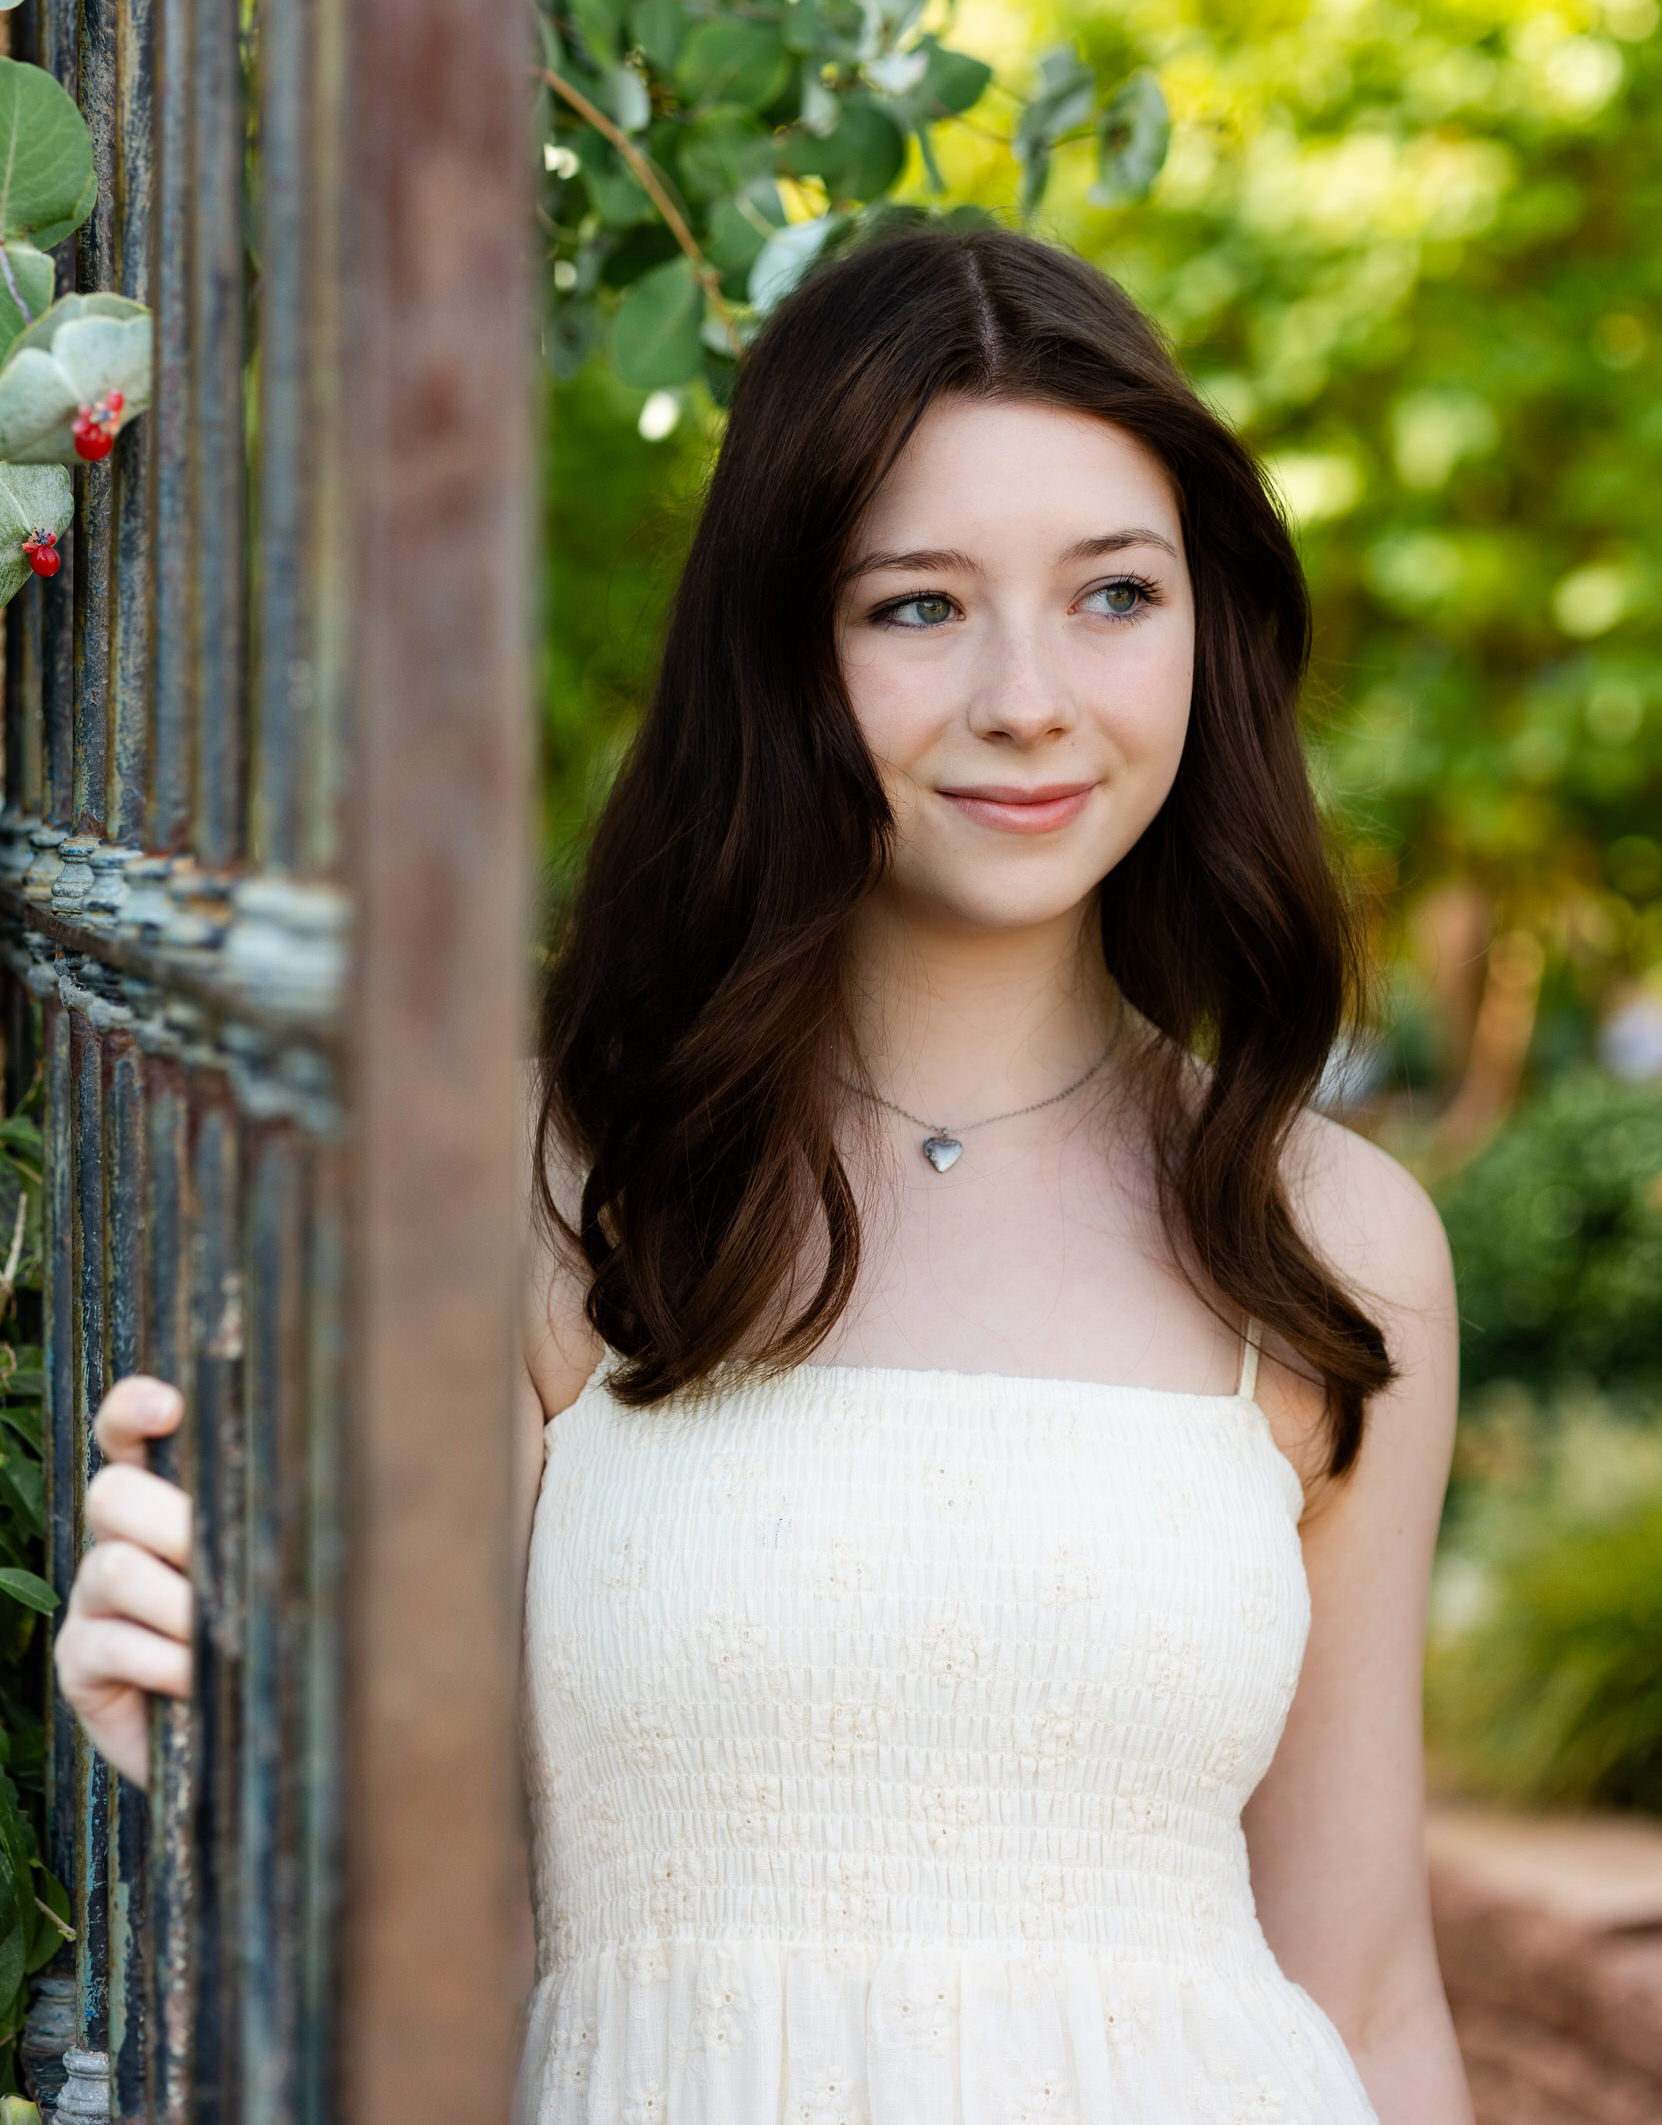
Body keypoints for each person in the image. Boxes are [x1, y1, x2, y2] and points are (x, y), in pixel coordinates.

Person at [56, 226, 1473, 2124]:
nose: (1031, 696)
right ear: (782, 643)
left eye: (1115, 594)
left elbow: (1366, 1983)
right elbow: (419, 1944)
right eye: (917, 607)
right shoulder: (542, 1192)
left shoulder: (1332, 1240)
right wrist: (230, 1758)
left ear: (1206, 626)